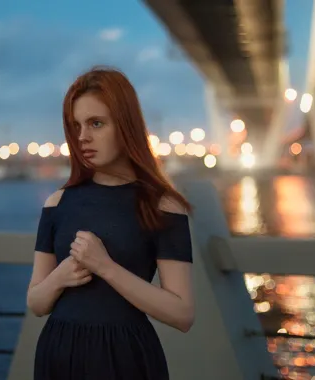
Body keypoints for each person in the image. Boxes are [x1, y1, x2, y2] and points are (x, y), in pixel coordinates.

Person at [26, 67, 194, 380]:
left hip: (125, 360)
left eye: (96, 123)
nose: (82, 137)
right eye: (76, 126)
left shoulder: (161, 205)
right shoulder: (57, 203)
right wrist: (60, 277)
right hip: (58, 356)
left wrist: (105, 267)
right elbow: (36, 302)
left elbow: (182, 314)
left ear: (126, 125)